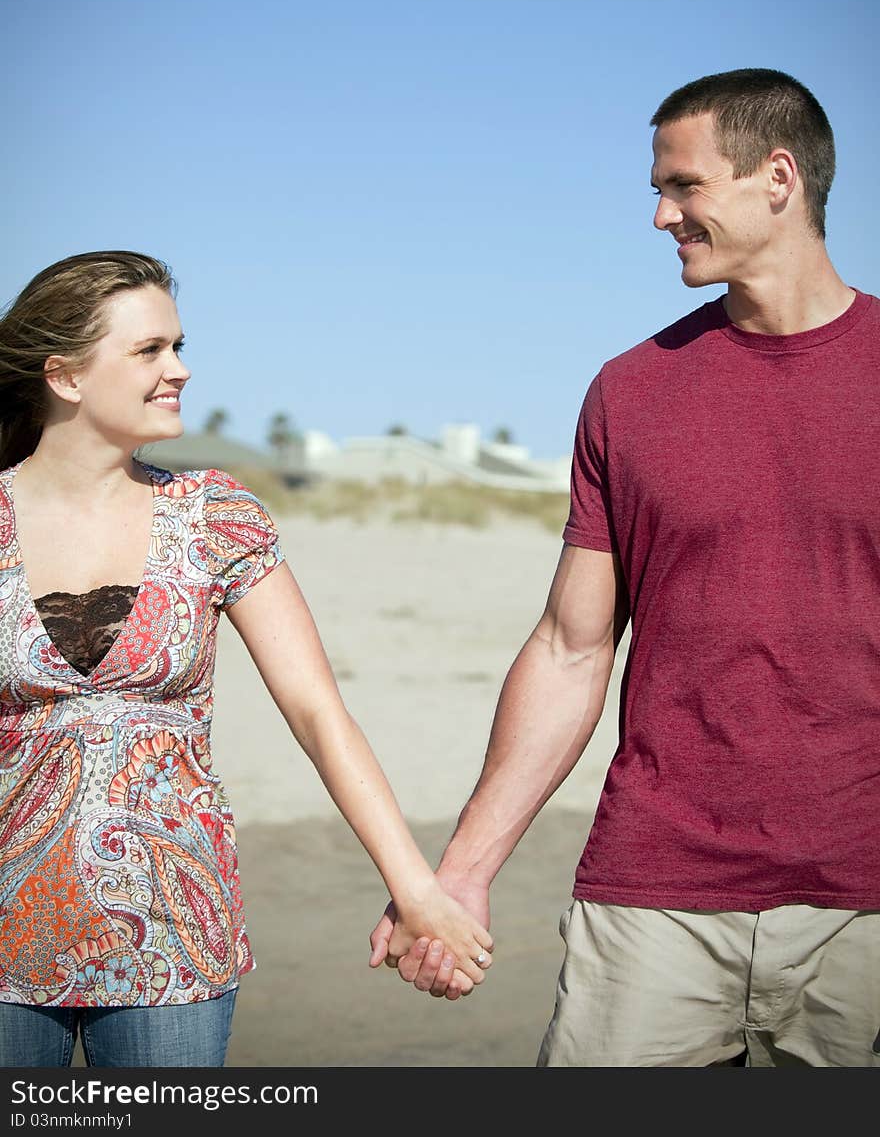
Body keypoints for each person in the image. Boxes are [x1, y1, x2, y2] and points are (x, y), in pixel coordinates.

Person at [370, 68, 880, 1066]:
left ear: (777, 177)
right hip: (653, 891)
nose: (659, 214)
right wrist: (462, 874)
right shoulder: (630, 391)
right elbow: (570, 648)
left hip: (865, 902)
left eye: (683, 185)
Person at [0, 250, 492, 1068]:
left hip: (175, 942)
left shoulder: (214, 516)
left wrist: (417, 889)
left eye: (179, 345)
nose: (180, 369)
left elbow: (318, 713)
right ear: (65, 376)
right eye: (150, 350)